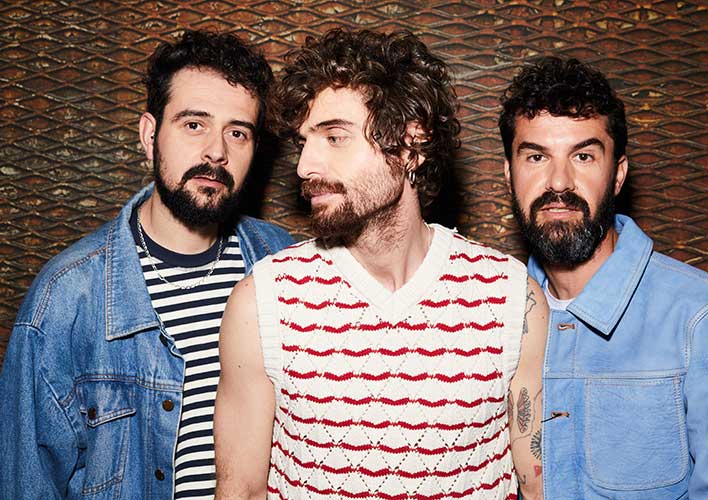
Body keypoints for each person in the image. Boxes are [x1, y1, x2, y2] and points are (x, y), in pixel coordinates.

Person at [213, 29, 548, 500]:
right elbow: (241, 492)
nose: (305, 166)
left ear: (411, 145)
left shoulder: (512, 297)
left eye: (334, 137)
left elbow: (538, 485)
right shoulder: (263, 302)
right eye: (304, 141)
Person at [0, 30, 293, 499]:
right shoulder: (68, 297)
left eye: (237, 132)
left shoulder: (283, 265)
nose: (217, 151)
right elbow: (25, 483)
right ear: (149, 135)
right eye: (194, 124)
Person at [499, 56, 708, 499]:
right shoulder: (491, 315)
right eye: (536, 156)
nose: (559, 182)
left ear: (617, 175)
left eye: (583, 156)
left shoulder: (707, 320)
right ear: (509, 174)